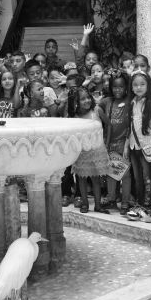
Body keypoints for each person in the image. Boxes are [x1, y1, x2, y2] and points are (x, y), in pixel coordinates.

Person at [126, 71, 151, 223]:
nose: (139, 87)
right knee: (138, 178)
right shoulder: (132, 102)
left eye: (142, 84)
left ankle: (148, 208)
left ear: (148, 85)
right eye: (135, 85)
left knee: (149, 178)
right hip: (134, 146)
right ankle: (140, 204)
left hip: (148, 146)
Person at [68, 86, 111, 214]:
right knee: (81, 178)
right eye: (82, 99)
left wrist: (107, 142)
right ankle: (85, 203)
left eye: (88, 97)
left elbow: (108, 124)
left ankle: (98, 205)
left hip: (97, 150)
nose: (86, 100)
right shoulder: (74, 117)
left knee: (96, 179)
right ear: (76, 102)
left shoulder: (96, 110)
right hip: (81, 152)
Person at [97, 72, 132, 214]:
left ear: (126, 87)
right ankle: (112, 199)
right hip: (110, 143)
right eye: (115, 87)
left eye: (121, 87)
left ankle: (125, 203)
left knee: (125, 175)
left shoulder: (130, 101)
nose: (118, 90)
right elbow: (97, 107)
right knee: (111, 173)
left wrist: (127, 146)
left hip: (124, 143)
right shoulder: (107, 101)